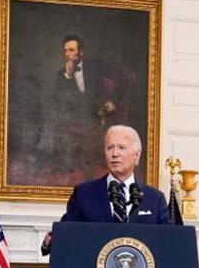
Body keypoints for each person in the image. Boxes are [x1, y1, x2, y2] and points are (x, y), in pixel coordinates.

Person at [41, 125, 169, 253]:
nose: (114, 154)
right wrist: (50, 242)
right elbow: (66, 234)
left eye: (121, 147)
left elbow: (168, 242)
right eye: (109, 148)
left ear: (136, 154)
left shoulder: (155, 198)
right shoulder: (84, 194)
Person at [37, 34, 125, 170]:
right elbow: (58, 100)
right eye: (65, 50)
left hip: (96, 111)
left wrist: (112, 100)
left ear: (81, 52)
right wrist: (68, 76)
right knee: (52, 118)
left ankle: (46, 159)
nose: (67, 54)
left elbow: (122, 77)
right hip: (74, 114)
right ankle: (44, 159)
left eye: (71, 50)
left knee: (54, 119)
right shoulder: (62, 74)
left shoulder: (95, 65)